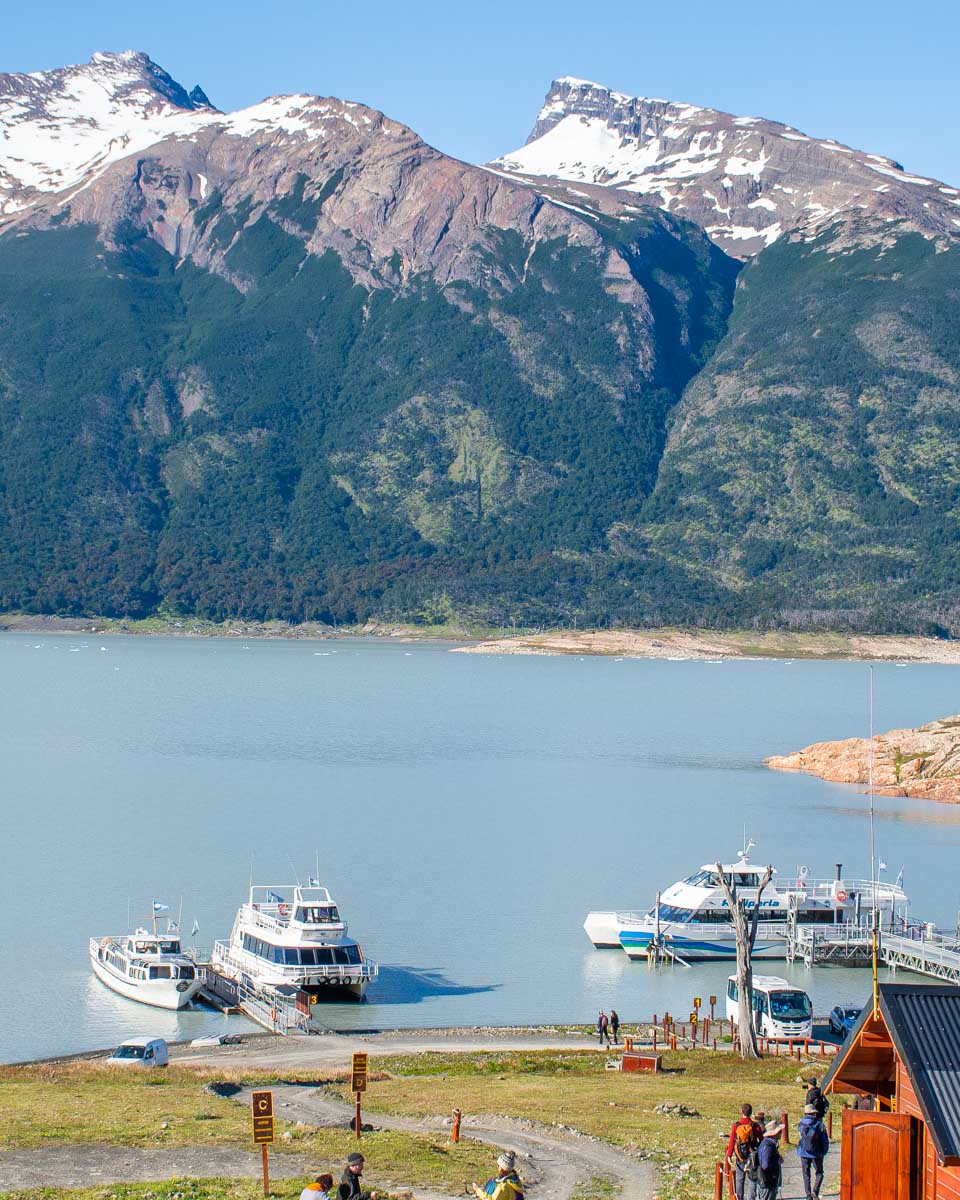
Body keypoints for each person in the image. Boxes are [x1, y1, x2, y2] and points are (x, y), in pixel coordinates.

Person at [726, 1102, 763, 1200]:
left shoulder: (736, 1125)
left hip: (740, 1156)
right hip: (752, 1156)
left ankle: (739, 1198)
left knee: (740, 1180)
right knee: (752, 1180)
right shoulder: (755, 1126)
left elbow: (731, 1141)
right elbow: (762, 1140)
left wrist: (729, 1155)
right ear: (751, 1112)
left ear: (741, 1111)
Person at [797, 1102, 830, 1200]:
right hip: (817, 1153)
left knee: (806, 1174)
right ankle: (815, 1191)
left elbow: (801, 1137)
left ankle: (808, 1195)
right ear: (814, 1113)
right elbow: (824, 1140)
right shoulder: (820, 1125)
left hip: (803, 1151)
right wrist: (824, 1151)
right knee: (819, 1172)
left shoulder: (801, 1124)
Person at [755, 1120, 783, 1200]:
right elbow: (765, 1165)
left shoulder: (769, 1144)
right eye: (779, 1131)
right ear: (775, 1133)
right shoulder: (768, 1146)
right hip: (767, 1182)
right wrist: (777, 1162)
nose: (781, 1133)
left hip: (767, 1182)